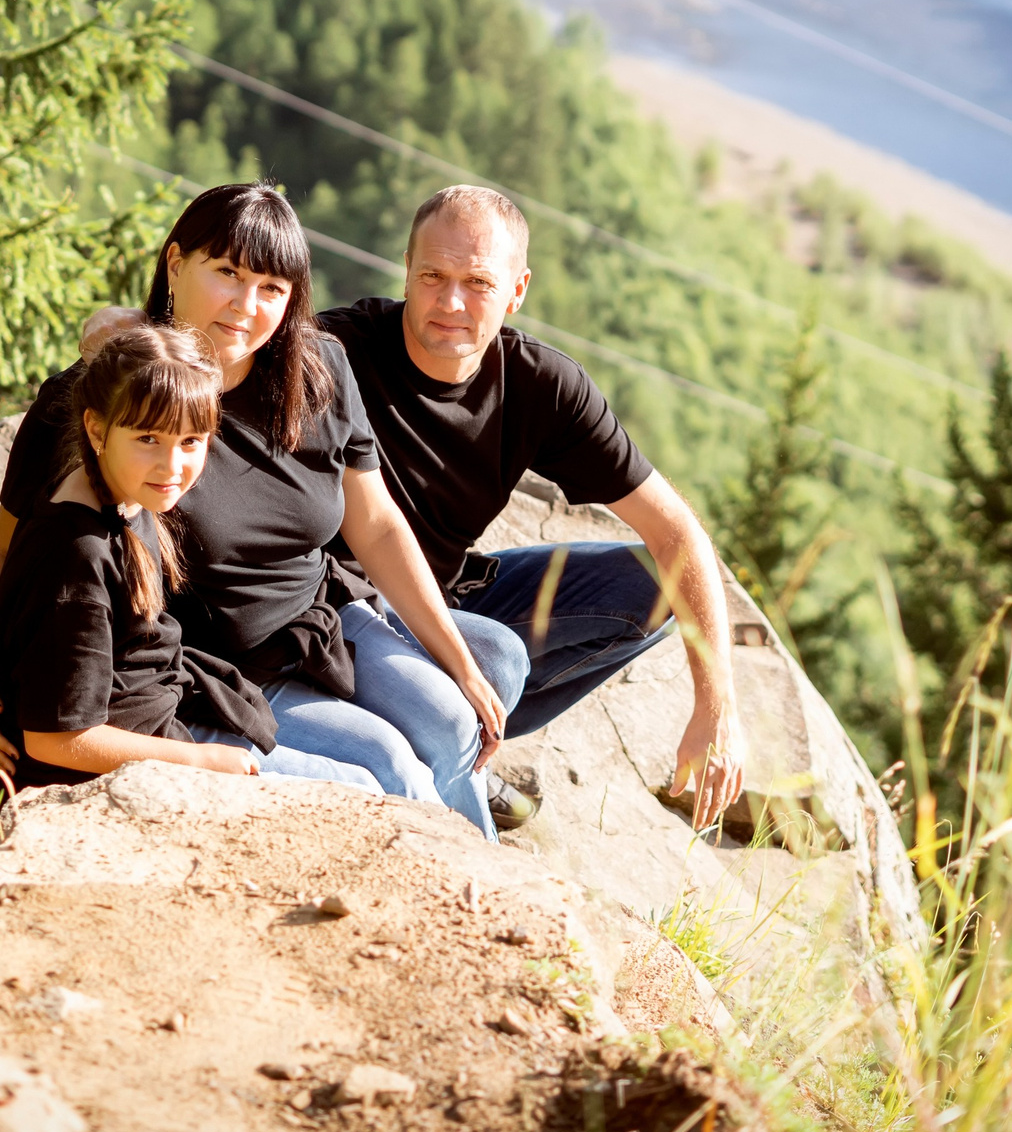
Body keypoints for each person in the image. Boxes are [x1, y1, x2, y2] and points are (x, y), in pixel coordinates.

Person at [0, 183, 528, 838]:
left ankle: (487, 879)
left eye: (271, 287)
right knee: (387, 763)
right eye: (228, 275)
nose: (246, 307)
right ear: (175, 265)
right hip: (213, 668)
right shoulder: (104, 404)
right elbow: (11, 548)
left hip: (315, 626)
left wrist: (456, 661)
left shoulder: (318, 369)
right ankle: (445, 901)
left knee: (458, 712)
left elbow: (375, 523)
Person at [316, 185, 747, 831]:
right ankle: (448, 756)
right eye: (432, 275)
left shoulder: (542, 387)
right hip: (337, 608)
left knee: (655, 584)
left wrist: (718, 705)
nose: (450, 302)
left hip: (444, 597)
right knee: (497, 657)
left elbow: (678, 534)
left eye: (478, 283)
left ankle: (461, 741)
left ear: (517, 291)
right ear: (406, 267)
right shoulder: (333, 350)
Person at [0, 318, 377, 794]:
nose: (173, 465)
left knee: (378, 766)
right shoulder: (77, 556)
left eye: (191, 442)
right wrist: (203, 761)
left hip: (164, 708)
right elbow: (55, 738)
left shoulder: (122, 493)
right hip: (127, 751)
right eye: (148, 439)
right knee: (362, 787)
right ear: (96, 431)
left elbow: (37, 644)